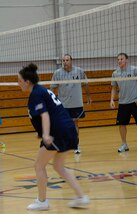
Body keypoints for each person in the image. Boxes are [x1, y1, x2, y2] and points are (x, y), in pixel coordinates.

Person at [18, 63, 89, 211]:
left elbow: (44, 115)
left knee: (38, 165)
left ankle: (42, 201)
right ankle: (81, 197)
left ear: (27, 82)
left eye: (19, 80)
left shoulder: (36, 94)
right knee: (58, 166)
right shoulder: (41, 91)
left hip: (58, 132)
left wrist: (45, 134)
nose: (18, 83)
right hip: (67, 129)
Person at [50, 54, 92, 154]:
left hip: (76, 103)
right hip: (63, 104)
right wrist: (51, 100)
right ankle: (63, 144)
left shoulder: (80, 71)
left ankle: (76, 145)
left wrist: (88, 96)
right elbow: (52, 87)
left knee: (74, 124)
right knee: (62, 125)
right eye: (63, 60)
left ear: (71, 61)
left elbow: (85, 84)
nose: (65, 62)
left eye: (67, 60)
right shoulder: (57, 73)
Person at [110, 53, 137, 153]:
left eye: (121, 59)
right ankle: (124, 144)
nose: (119, 61)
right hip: (123, 102)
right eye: (118, 59)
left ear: (126, 60)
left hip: (135, 101)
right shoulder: (115, 73)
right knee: (121, 124)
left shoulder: (134, 70)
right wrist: (112, 100)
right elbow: (114, 88)